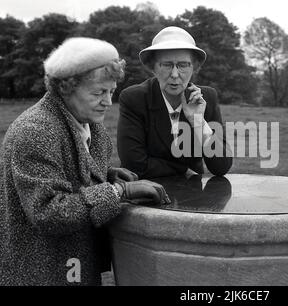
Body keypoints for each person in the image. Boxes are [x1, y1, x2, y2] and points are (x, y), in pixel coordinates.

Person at [0, 37, 170, 286]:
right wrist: (117, 191)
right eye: (99, 92)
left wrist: (106, 174)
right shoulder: (36, 130)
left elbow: (68, 169)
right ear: (66, 87)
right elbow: (50, 212)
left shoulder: (88, 122)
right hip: (43, 270)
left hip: (75, 263)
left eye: (111, 92)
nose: (108, 102)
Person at [117, 26, 232, 179]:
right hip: (147, 193)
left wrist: (197, 121)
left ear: (194, 67)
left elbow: (221, 166)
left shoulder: (206, 98)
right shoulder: (134, 98)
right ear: (153, 68)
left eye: (183, 65)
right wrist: (183, 170)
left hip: (193, 194)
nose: (175, 74)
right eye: (166, 65)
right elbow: (134, 164)